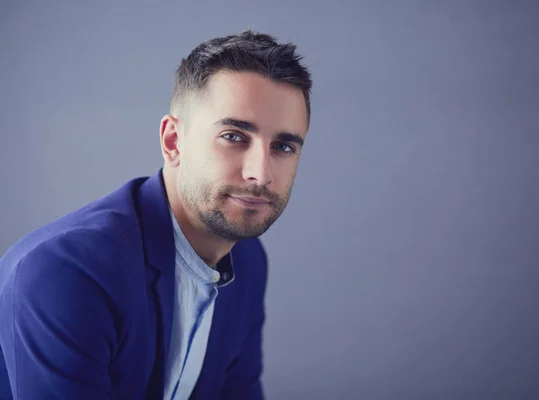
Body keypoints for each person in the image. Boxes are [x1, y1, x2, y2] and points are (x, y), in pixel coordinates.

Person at [0, 30, 312, 400]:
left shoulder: (247, 261)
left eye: (283, 146)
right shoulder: (65, 272)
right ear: (173, 142)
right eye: (233, 136)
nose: (261, 173)